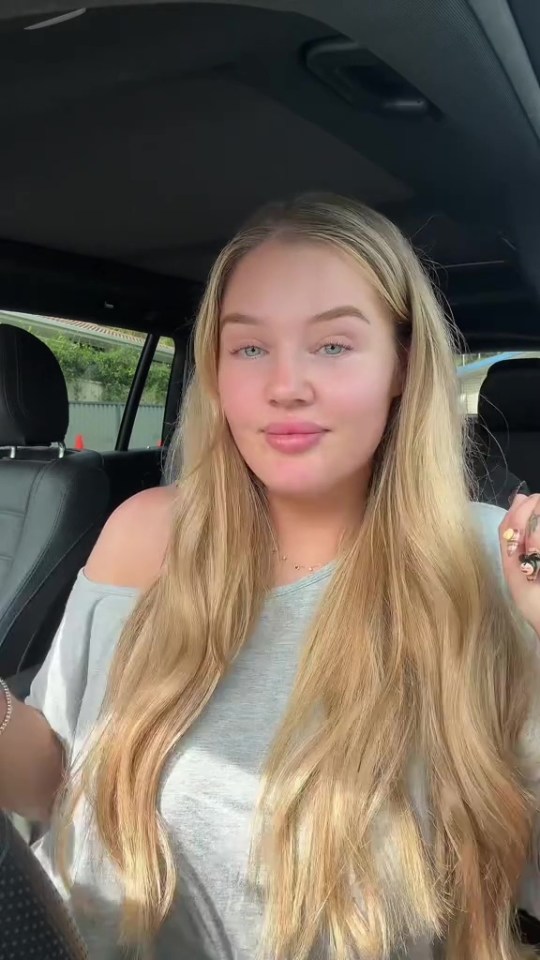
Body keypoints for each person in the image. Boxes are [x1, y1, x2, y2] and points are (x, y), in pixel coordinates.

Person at [1, 193, 540, 960]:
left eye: (333, 346)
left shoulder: (487, 559)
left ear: (403, 368)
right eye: (249, 348)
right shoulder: (145, 531)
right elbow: (52, 783)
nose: (286, 384)